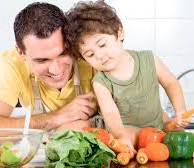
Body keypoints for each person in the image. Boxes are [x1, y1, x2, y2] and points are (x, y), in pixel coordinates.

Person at [65, 0, 191, 154]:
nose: (99, 55)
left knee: (181, 135)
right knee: (127, 138)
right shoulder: (100, 82)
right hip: (128, 129)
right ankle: (140, 148)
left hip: (157, 123)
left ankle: (158, 141)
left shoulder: (149, 59)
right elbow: (110, 114)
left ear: (119, 33)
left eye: (102, 45)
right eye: (90, 54)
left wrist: (180, 111)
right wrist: (120, 135)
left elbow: (171, 83)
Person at [0, 2, 98, 131]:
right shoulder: (13, 64)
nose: (56, 70)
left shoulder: (91, 50)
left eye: (64, 53)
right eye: (42, 60)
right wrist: (57, 117)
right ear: (21, 52)